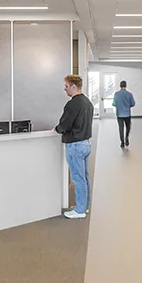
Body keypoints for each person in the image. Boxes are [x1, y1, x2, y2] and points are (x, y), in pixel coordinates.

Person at [55, 74, 95, 219]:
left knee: (78, 179)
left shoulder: (72, 104)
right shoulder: (87, 102)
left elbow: (65, 125)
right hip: (85, 143)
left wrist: (58, 129)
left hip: (75, 145)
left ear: (73, 86)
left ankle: (79, 211)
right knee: (84, 177)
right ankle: (84, 206)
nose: (65, 89)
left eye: (66, 86)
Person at [111, 80, 136, 148]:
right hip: (127, 114)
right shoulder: (129, 94)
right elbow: (133, 103)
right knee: (128, 127)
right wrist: (128, 106)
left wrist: (118, 105)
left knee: (121, 128)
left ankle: (122, 142)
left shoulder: (116, 94)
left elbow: (114, 103)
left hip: (119, 114)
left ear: (120, 86)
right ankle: (126, 138)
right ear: (126, 86)